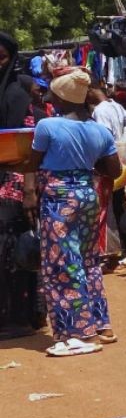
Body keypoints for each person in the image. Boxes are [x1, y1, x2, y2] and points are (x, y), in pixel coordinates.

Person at [26, 69, 122, 346]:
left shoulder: (48, 126)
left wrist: (30, 193)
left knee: (63, 264)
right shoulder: (98, 131)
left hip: (58, 197)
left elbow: (33, 163)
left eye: (52, 94)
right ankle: (102, 325)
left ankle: (79, 330)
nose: (49, 97)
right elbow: (113, 170)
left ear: (62, 98)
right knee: (89, 260)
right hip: (88, 194)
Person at [0, 33, 40, 339]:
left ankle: (19, 316)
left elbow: (29, 147)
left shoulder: (18, 97)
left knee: (13, 246)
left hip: (13, 183)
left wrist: (28, 190)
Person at [89, 79, 126, 264]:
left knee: (108, 207)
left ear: (92, 89)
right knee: (119, 203)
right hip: (121, 162)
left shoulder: (100, 111)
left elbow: (103, 138)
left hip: (109, 163)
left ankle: (114, 250)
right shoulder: (115, 105)